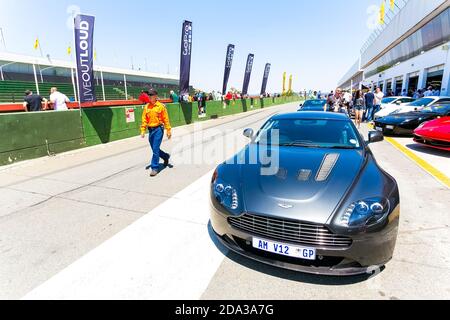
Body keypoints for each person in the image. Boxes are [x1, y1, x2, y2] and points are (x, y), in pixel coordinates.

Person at [140, 89, 172, 177]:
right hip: (151, 130)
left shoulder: (161, 106)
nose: (149, 97)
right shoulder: (147, 107)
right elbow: (144, 119)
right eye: (149, 95)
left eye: (151, 95)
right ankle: (165, 156)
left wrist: (168, 130)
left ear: (155, 96)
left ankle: (154, 168)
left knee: (155, 148)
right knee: (155, 149)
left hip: (158, 129)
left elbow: (166, 119)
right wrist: (143, 130)